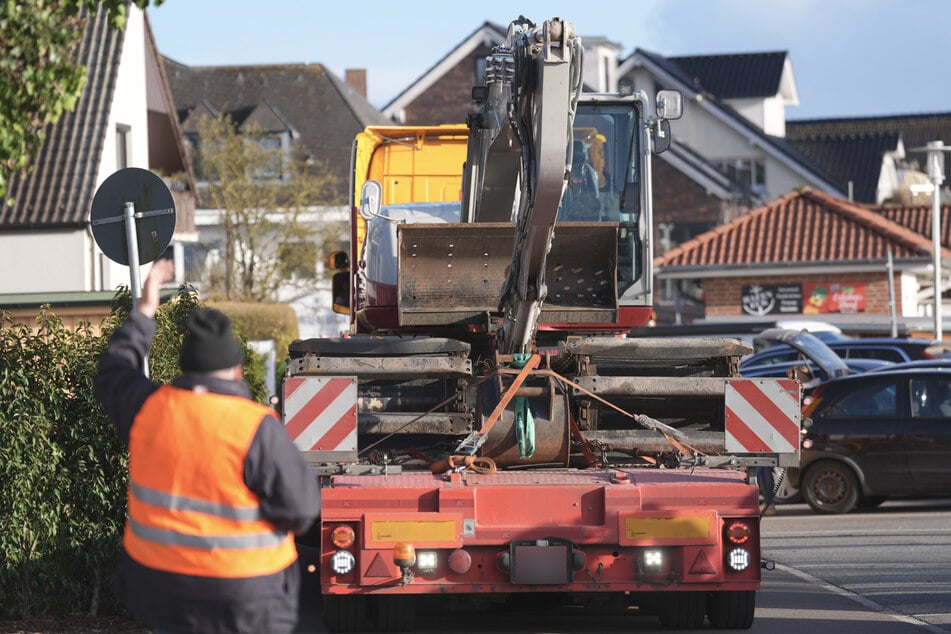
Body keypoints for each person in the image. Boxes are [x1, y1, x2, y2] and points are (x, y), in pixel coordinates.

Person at [94, 258, 320, 634]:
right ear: (234, 369)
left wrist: (145, 311)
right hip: (245, 597)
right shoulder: (255, 427)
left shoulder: (148, 409)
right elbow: (302, 509)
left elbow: (115, 369)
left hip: (160, 592)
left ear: (186, 368)